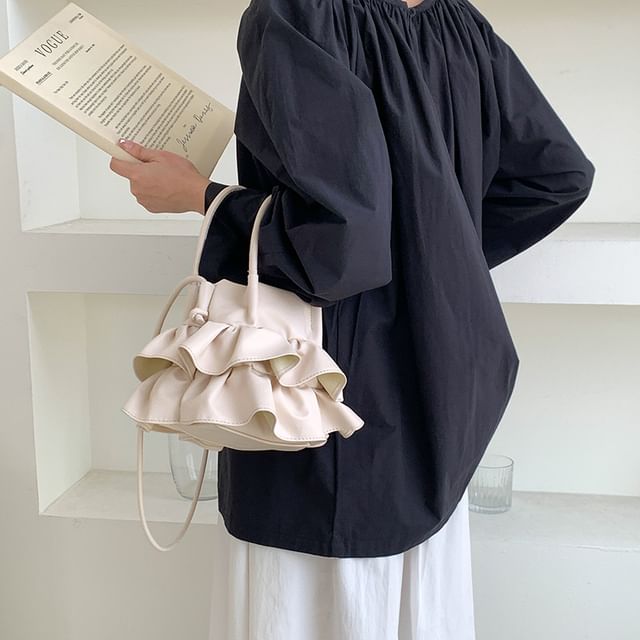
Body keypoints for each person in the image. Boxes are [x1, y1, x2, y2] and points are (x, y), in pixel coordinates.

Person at [109, 0, 596, 637]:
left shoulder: (293, 16)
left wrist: (202, 198)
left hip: (322, 387)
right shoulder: (459, 22)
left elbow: (339, 244)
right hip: (439, 377)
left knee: (308, 603)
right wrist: (433, 262)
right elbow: (558, 176)